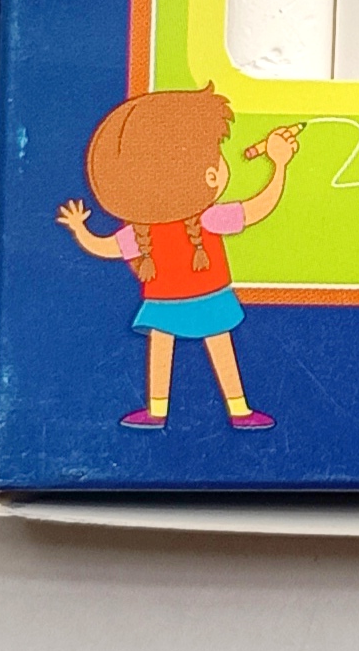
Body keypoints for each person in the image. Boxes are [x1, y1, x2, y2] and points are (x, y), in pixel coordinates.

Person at [58, 87, 301, 428]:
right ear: (207, 173)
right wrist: (279, 166)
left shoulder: (198, 220)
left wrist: (279, 166)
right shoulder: (153, 228)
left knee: (198, 344)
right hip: (178, 299)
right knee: (190, 344)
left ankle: (226, 409)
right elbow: (258, 207)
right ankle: (197, 410)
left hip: (194, 297)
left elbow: (105, 246)